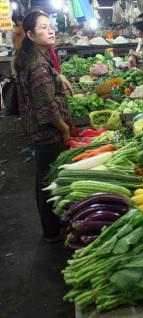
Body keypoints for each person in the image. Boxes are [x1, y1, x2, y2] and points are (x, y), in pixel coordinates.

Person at [14, 11, 73, 242]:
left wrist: (58, 76)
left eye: (51, 26)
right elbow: (47, 108)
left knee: (45, 177)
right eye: (43, 27)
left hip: (39, 131)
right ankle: (51, 230)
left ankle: (53, 226)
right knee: (47, 180)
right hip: (47, 132)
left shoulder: (33, 57)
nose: (51, 30)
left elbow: (46, 81)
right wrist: (64, 128)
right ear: (29, 34)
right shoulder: (37, 65)